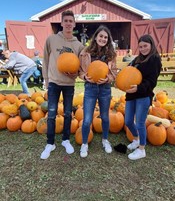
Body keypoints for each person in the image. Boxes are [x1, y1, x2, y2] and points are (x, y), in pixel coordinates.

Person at [40, 10, 84, 160]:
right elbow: (45, 59)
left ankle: (65, 140)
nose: (68, 23)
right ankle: (50, 143)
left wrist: (76, 74)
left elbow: (81, 66)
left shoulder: (78, 45)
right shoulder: (51, 39)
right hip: (53, 82)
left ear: (74, 24)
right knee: (51, 114)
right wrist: (45, 78)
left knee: (67, 113)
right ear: (61, 23)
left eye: (71, 21)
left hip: (69, 85)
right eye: (66, 21)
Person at [78, 25, 118, 158]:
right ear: (95, 37)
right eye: (101, 36)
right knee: (87, 119)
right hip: (90, 87)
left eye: (105, 37)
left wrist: (108, 79)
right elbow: (80, 70)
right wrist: (84, 76)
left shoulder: (111, 54)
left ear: (108, 39)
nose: (103, 39)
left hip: (105, 89)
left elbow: (114, 72)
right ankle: (84, 143)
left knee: (105, 117)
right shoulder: (85, 52)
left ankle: (105, 140)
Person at [124, 34, 162, 160]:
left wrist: (138, 88)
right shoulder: (137, 60)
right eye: (140, 46)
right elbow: (128, 72)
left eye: (145, 46)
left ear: (151, 45)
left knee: (140, 123)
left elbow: (152, 81)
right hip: (131, 95)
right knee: (128, 121)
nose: (143, 49)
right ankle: (136, 139)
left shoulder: (155, 59)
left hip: (143, 95)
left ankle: (141, 149)